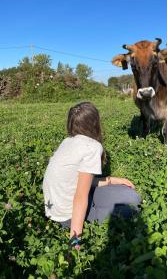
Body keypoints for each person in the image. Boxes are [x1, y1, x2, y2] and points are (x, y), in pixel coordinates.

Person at [42, 102, 141, 247]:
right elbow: (80, 197)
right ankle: (89, 214)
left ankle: (95, 207)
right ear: (95, 123)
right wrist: (75, 239)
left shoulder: (68, 141)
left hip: (56, 206)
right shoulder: (92, 147)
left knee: (132, 196)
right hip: (68, 214)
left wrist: (113, 180)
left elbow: (78, 181)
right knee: (132, 209)